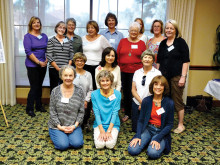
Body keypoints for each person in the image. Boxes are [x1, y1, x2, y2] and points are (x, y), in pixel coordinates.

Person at [128, 75, 174, 159]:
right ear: (152, 86)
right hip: (148, 129)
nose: (158, 87)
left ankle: (152, 141)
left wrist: (158, 138)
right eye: (156, 84)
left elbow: (170, 124)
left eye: (161, 85)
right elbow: (141, 120)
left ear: (165, 87)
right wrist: (138, 135)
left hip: (161, 131)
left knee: (153, 154)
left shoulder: (169, 103)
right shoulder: (146, 100)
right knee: (132, 150)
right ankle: (148, 140)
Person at [157, 19, 190, 134]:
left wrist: (183, 77)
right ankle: (164, 121)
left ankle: (180, 124)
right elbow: (159, 62)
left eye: (171, 28)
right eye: (167, 28)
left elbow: (186, 61)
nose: (169, 30)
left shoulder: (180, 42)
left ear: (175, 30)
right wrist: (157, 76)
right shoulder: (162, 43)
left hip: (176, 76)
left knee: (177, 100)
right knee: (163, 100)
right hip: (164, 77)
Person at [48, 65, 84, 151]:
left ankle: (68, 136)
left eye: (70, 75)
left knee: (77, 144)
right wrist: (59, 127)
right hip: (57, 125)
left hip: (73, 125)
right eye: (65, 75)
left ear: (74, 76)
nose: (68, 78)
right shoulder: (55, 91)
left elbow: (81, 112)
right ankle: (59, 134)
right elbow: (52, 111)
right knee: (63, 145)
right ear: (61, 76)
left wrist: (74, 126)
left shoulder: (79, 91)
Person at [117, 22, 146, 122]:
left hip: (137, 72)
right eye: (132, 30)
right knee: (126, 93)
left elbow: (145, 58)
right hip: (123, 71)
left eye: (136, 31)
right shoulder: (122, 41)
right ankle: (127, 113)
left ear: (138, 32)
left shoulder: (141, 43)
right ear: (128, 31)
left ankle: (136, 113)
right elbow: (118, 56)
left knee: (136, 93)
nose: (133, 32)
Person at [23, 16, 48, 117]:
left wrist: (46, 60)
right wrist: (38, 62)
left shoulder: (44, 36)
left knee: (39, 85)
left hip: (43, 64)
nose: (36, 24)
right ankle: (29, 108)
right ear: (31, 25)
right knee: (34, 86)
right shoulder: (27, 36)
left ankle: (38, 105)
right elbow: (28, 52)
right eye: (34, 23)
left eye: (38, 22)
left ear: (40, 25)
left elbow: (47, 49)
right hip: (32, 65)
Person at [131, 50, 161, 132]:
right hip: (137, 102)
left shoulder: (157, 73)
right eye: (145, 57)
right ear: (141, 59)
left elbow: (158, 91)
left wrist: (145, 103)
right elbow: (133, 89)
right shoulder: (137, 72)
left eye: (149, 57)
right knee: (135, 129)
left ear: (153, 60)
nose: (147, 59)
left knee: (147, 129)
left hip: (150, 103)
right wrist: (141, 102)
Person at [91, 70, 121, 149]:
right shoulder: (94, 94)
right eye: (102, 81)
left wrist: (108, 131)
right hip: (99, 123)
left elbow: (115, 113)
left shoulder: (117, 94)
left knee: (109, 145)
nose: (105, 83)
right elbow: (96, 113)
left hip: (113, 124)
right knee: (99, 145)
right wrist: (101, 130)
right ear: (99, 82)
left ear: (111, 81)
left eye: (107, 80)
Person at [82, 20, 111, 90]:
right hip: (85, 66)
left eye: (92, 27)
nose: (90, 29)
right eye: (88, 28)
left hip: (98, 66)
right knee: (86, 86)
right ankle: (86, 101)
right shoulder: (83, 38)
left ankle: (96, 101)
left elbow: (109, 50)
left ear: (96, 29)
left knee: (97, 86)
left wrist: (106, 62)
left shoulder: (101, 38)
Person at [47, 21, 74, 92]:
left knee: (65, 88)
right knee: (54, 88)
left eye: (64, 28)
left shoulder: (68, 40)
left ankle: (65, 103)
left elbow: (71, 54)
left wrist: (68, 66)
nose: (61, 29)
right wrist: (57, 68)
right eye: (60, 27)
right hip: (54, 69)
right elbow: (49, 55)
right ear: (56, 28)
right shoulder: (51, 41)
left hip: (66, 70)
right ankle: (54, 103)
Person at [73, 52, 93, 131]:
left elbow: (90, 89)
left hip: (85, 100)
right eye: (77, 60)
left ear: (84, 62)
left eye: (82, 61)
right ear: (74, 62)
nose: (79, 63)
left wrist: (86, 100)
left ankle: (85, 122)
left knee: (88, 104)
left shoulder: (88, 74)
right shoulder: (71, 73)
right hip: (73, 100)